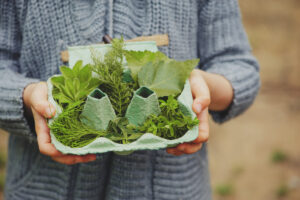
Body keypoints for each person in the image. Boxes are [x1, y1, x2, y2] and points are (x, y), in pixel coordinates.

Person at [0, 0, 260, 199]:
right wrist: (26, 96)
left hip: (173, 189)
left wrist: (205, 86)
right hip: (43, 188)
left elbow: (239, 66)